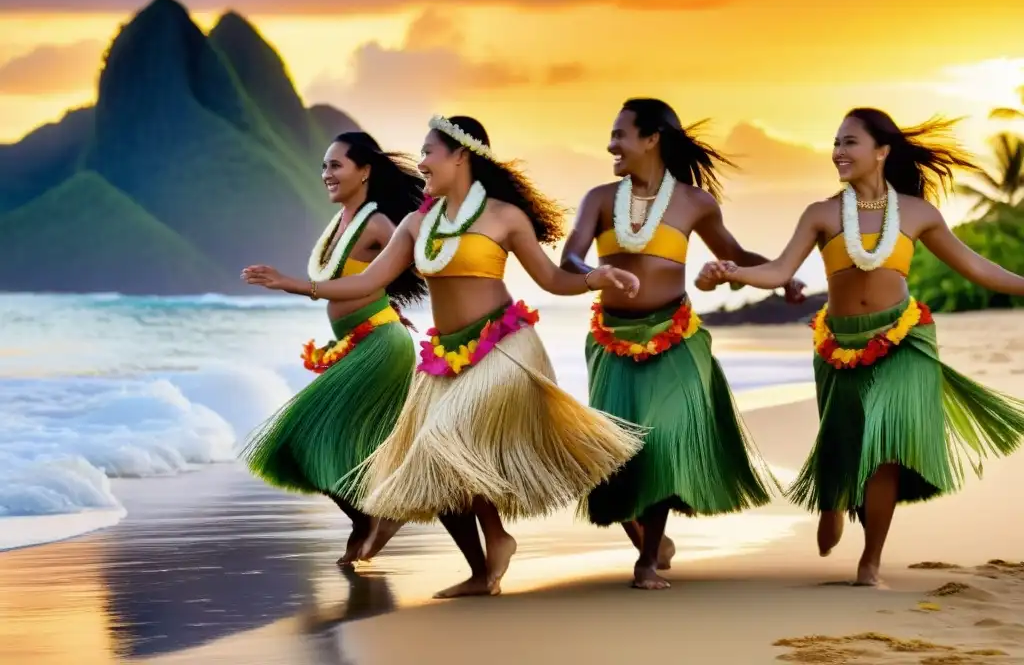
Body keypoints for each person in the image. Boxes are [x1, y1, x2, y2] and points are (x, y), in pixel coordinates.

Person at [243, 115, 646, 598]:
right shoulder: (417, 224)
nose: (422, 161)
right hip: (449, 356)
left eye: (429, 151)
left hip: (505, 345)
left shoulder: (503, 216)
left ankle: (636, 542)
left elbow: (552, 280)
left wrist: (593, 279)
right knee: (438, 465)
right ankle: (485, 565)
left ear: (461, 155)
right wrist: (296, 284)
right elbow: (368, 281)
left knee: (445, 443)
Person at [697, 107, 1024, 586]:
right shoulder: (822, 214)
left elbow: (977, 268)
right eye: (835, 143)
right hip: (840, 345)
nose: (838, 152)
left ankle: (870, 560)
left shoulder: (916, 213)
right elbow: (779, 272)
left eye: (850, 142)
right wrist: (732, 272)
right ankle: (832, 498)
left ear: (882, 152)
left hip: (905, 339)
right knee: (844, 441)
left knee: (888, 442)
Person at [560, 97, 806, 590]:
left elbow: (733, 256)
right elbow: (569, 257)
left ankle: (647, 561)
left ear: (651, 139)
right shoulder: (601, 198)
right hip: (613, 340)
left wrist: (780, 281)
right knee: (615, 453)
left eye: (620, 134)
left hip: (676, 339)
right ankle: (647, 538)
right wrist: (596, 272)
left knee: (663, 440)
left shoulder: (694, 202)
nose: (611, 145)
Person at [241, 132, 426, 565]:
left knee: (304, 436)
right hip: (353, 343)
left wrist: (290, 282)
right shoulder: (339, 225)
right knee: (338, 444)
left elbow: (414, 265)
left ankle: (372, 518)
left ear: (364, 171)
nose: (327, 174)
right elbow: (368, 276)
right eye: (324, 166)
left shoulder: (379, 223)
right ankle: (378, 515)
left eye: (336, 165)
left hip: (381, 344)